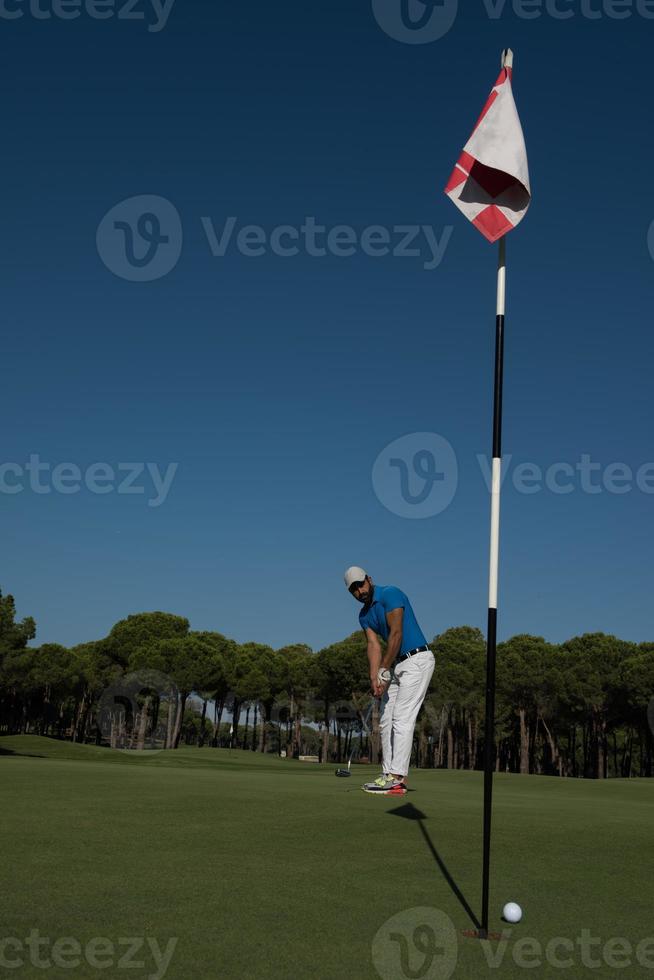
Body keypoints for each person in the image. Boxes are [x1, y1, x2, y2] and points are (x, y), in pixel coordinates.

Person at [344, 566, 435, 796]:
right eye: (354, 589)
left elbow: (396, 634)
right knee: (385, 718)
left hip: (418, 659)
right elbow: (373, 646)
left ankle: (397, 778)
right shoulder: (363, 615)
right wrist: (375, 676)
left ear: (369, 579)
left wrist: (384, 668)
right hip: (397, 665)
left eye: (361, 584)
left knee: (402, 718)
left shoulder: (390, 593)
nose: (359, 591)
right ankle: (387, 775)